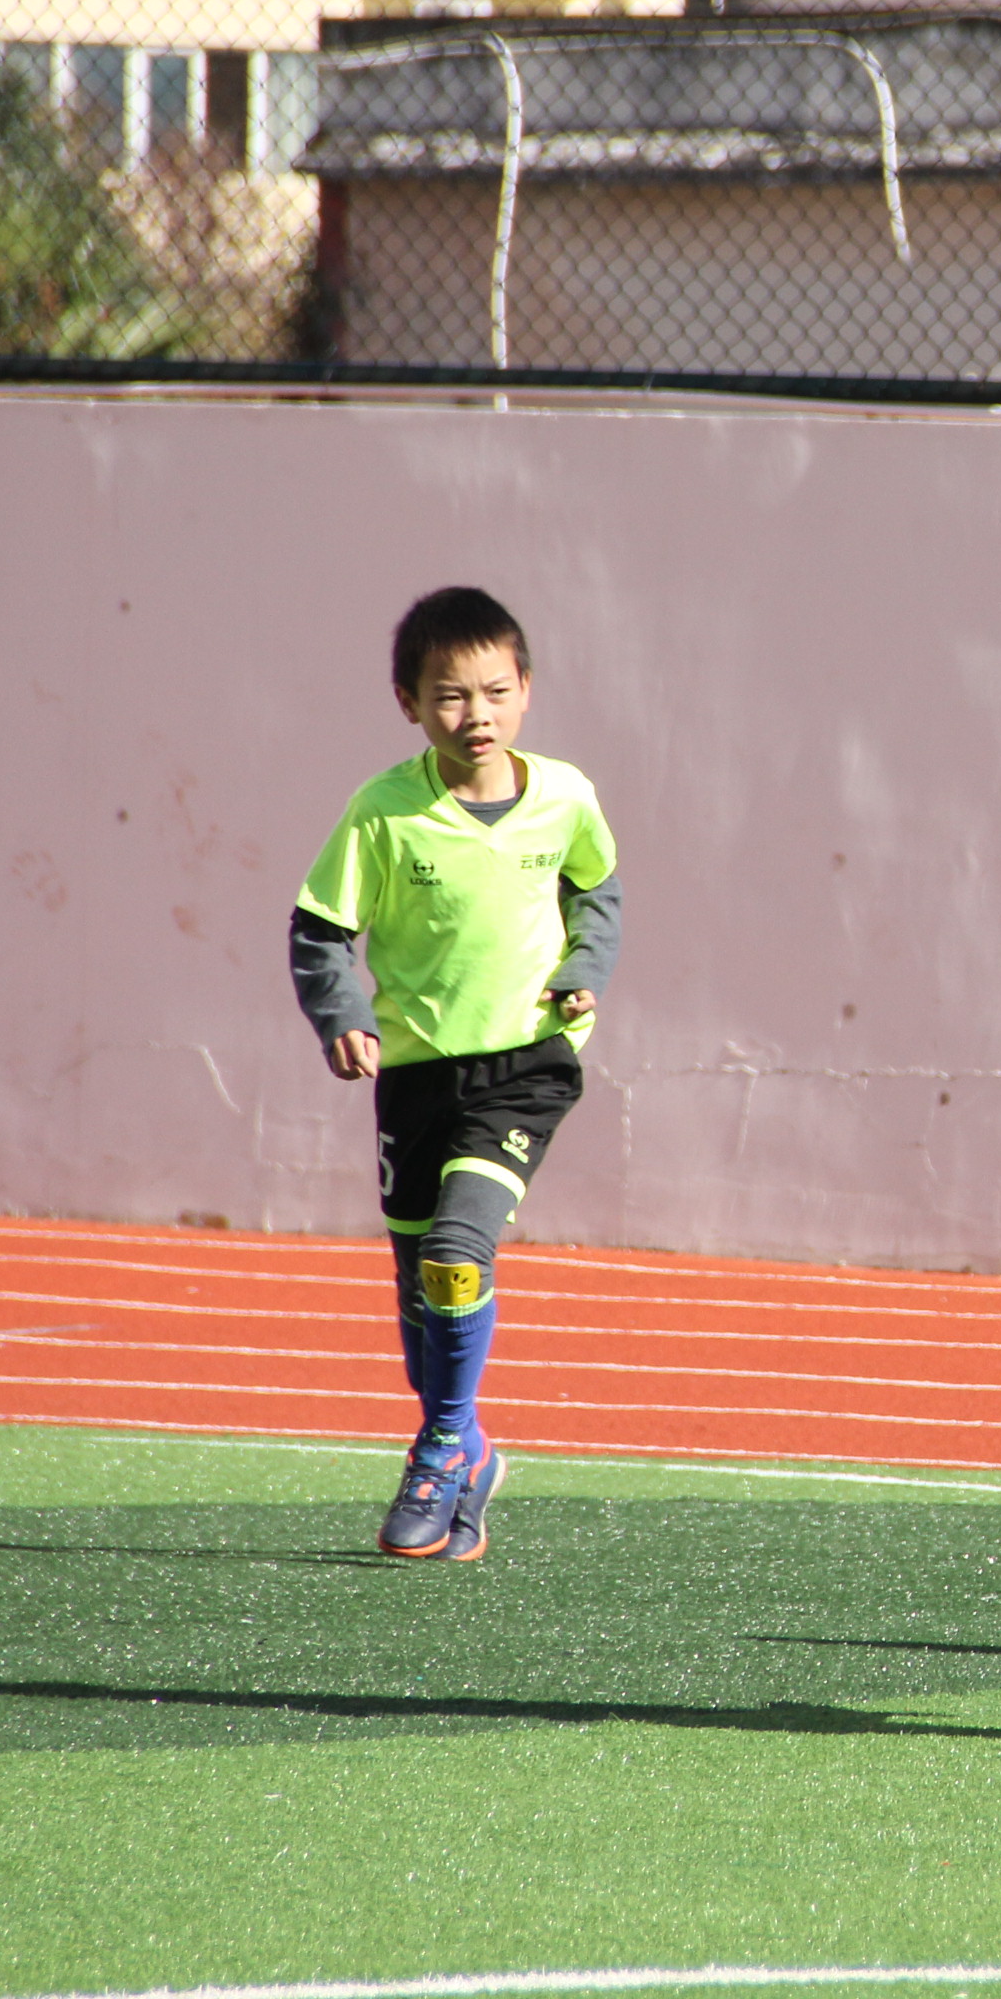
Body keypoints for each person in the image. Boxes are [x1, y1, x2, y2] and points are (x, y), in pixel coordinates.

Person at [290, 587, 620, 1561]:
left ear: (526, 690)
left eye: (492, 691)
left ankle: (438, 1447)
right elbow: (319, 933)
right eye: (448, 697)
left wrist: (581, 971)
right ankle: (465, 1445)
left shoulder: (565, 796)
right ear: (408, 702)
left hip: (527, 1065)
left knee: (457, 1250)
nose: (474, 715)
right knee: (420, 1318)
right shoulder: (383, 813)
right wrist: (342, 1015)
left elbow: (597, 888)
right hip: (418, 1078)